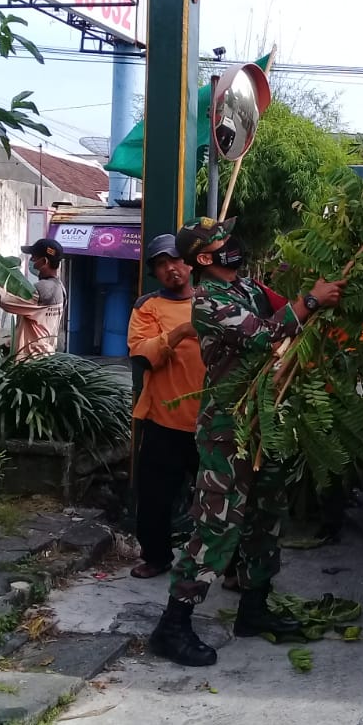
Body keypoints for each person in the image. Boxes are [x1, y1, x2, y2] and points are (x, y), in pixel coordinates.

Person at [149, 216, 345, 667]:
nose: (231, 242)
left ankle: (254, 610)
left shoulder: (249, 289)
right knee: (216, 524)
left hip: (263, 421)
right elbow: (267, 335)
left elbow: (286, 313)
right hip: (227, 428)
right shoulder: (208, 303)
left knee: (265, 515)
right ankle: (173, 625)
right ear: (203, 258)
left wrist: (321, 294)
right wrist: (311, 300)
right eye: (221, 239)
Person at [127, 233, 205, 579]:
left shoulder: (212, 301)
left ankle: (233, 566)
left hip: (213, 420)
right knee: (155, 497)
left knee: (224, 499)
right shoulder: (147, 307)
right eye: (161, 264)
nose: (171, 268)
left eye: (176, 260)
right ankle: (156, 557)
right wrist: (179, 333)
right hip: (164, 420)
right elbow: (143, 355)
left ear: (190, 263)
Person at [0, 237, 66, 356]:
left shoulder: (43, 291)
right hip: (44, 354)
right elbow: (36, 327)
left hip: (31, 360)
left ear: (44, 261)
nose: (32, 261)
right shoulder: (60, 288)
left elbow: (5, 300)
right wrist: (9, 345)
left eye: (34, 257)